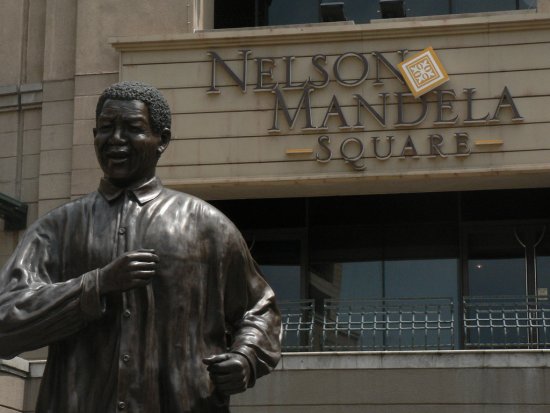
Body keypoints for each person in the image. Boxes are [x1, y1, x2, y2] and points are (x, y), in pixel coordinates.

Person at [0, 81, 281, 412]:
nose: (116, 138)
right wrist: (95, 286)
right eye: (106, 128)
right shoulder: (57, 229)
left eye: (132, 128)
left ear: (162, 140)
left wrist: (245, 358)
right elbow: (6, 319)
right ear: (94, 135)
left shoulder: (209, 227)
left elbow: (261, 311)